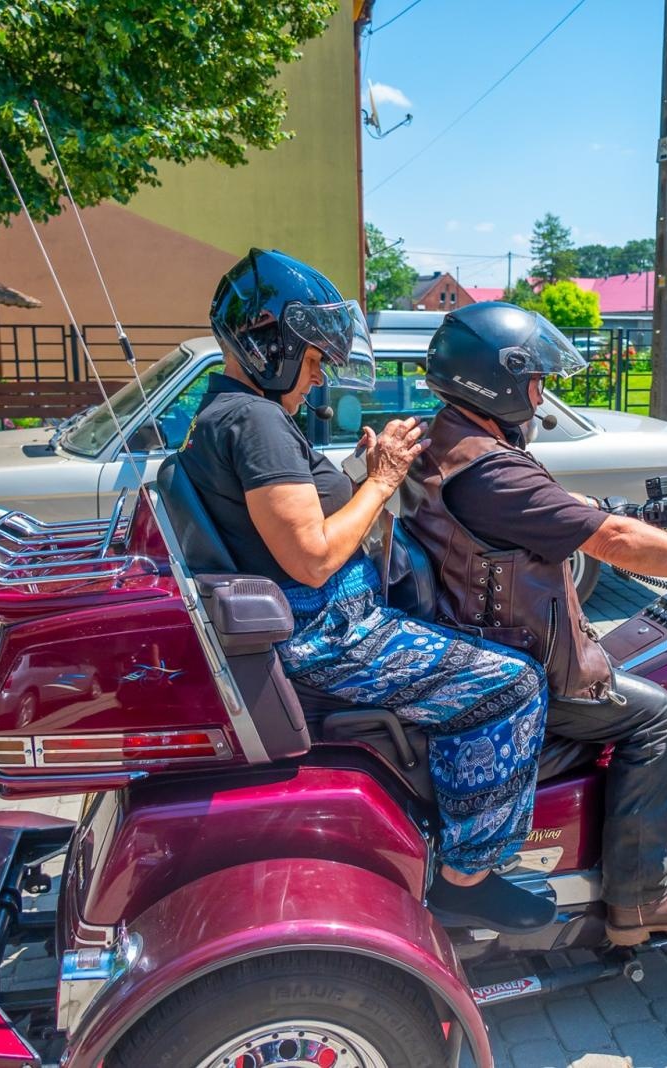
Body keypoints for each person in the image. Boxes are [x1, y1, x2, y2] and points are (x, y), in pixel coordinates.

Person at [178, 250, 553, 934]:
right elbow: (314, 556)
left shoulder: (229, 411)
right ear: (272, 346)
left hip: (320, 621)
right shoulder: (257, 424)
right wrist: (381, 480)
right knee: (513, 685)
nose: (319, 376)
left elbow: (297, 519)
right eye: (314, 359)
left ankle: (442, 817)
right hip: (330, 633)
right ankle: (470, 874)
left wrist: (364, 469)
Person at [403, 302, 667, 946]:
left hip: (470, 632)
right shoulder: (492, 471)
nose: (541, 393)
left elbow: (560, 509)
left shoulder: (447, 438)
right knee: (656, 713)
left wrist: (635, 511)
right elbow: (613, 543)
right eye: (534, 379)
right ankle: (643, 897)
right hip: (520, 659)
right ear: (494, 380)